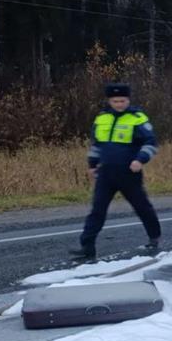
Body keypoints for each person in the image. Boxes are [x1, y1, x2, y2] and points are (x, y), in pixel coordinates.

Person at [69, 82, 161, 261]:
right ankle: (87, 248)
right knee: (97, 211)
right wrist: (92, 164)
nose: (119, 104)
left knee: (142, 208)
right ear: (109, 101)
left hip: (129, 174)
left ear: (128, 100)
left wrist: (140, 159)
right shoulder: (102, 118)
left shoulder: (137, 118)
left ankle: (154, 238)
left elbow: (151, 143)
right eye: (115, 101)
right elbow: (96, 145)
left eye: (122, 100)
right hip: (106, 174)